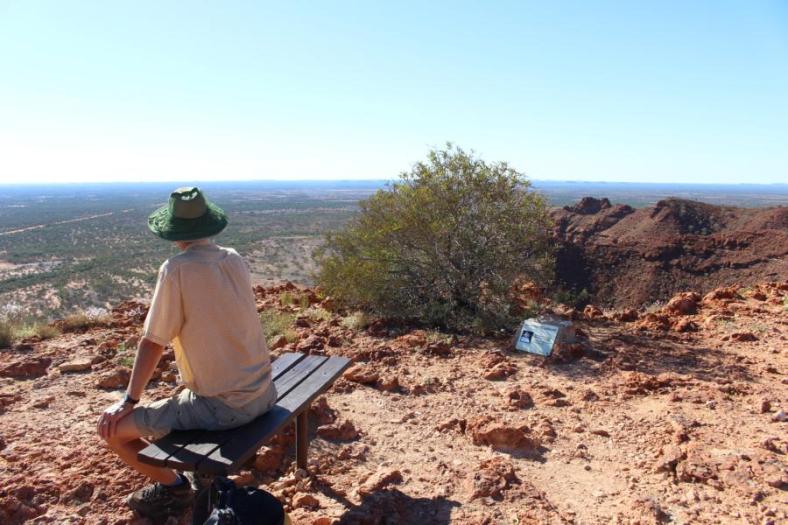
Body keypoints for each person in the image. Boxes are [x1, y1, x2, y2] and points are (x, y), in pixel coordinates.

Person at [97, 186, 277, 518]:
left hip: (222, 408)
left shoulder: (177, 268)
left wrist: (130, 401)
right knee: (182, 399)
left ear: (174, 232)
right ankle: (180, 482)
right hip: (265, 393)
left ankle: (175, 488)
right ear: (209, 224)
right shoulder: (234, 258)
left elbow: (153, 342)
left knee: (111, 431)